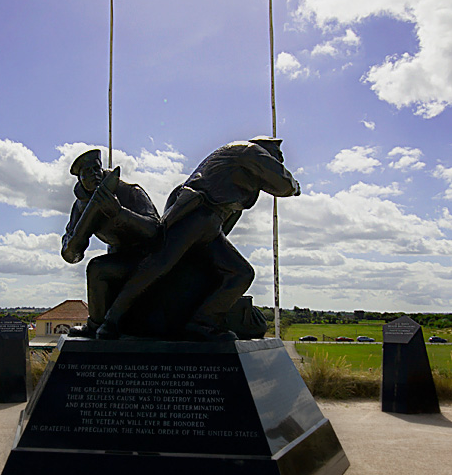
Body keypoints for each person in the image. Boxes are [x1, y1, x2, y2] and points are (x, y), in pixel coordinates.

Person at [96, 138, 300, 341]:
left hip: (210, 225)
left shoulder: (242, 173)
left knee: (241, 273)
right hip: (196, 216)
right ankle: (111, 320)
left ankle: (201, 323)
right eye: (277, 158)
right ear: (267, 152)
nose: (279, 162)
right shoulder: (249, 150)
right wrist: (294, 186)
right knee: (156, 267)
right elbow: (281, 183)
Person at [61, 149, 160, 335]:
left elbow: (155, 230)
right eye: (87, 172)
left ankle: (98, 325)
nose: (94, 175)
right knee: (98, 269)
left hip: (148, 259)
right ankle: (96, 325)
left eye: (96, 168)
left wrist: (120, 213)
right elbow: (71, 254)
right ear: (79, 179)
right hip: (118, 258)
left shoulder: (131, 192)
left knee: (98, 267)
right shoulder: (80, 206)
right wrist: (79, 235)